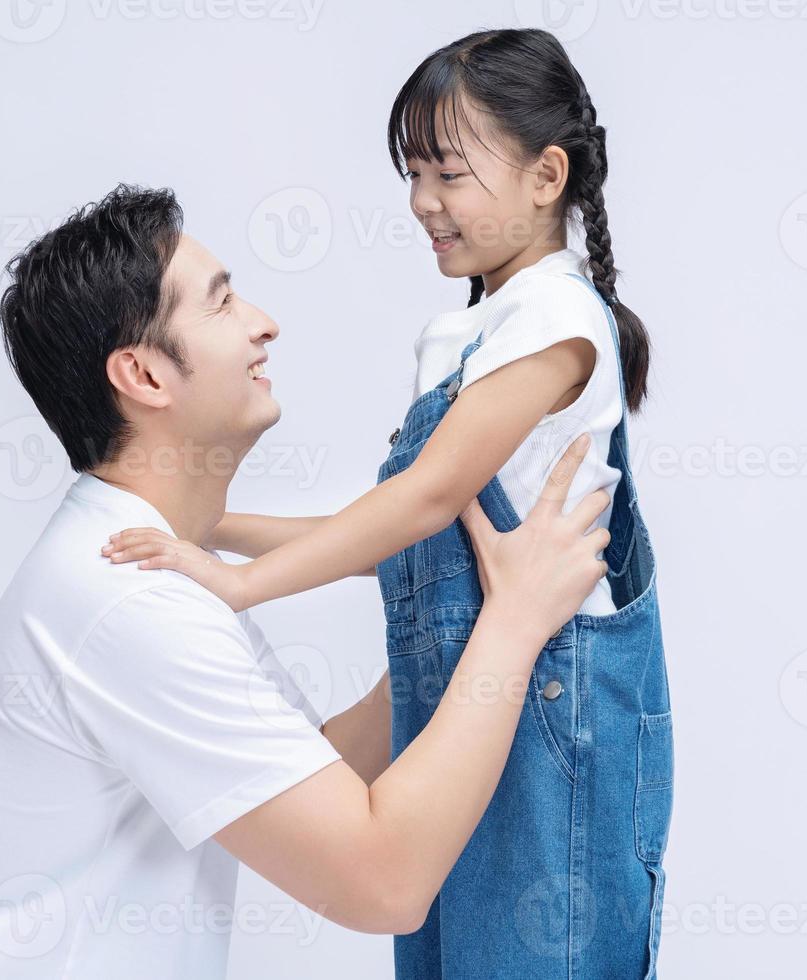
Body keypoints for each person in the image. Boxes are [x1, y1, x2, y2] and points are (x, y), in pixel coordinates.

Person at [0, 183, 611, 979]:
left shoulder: (149, 567)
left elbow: (321, 767)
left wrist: (469, 616)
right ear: (145, 376)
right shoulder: (132, 601)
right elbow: (384, 883)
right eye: (221, 305)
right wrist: (515, 624)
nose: (264, 323)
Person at [102, 29, 674, 978]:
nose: (421, 202)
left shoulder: (560, 321)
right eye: (413, 173)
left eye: (448, 172)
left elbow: (429, 495)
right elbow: (406, 539)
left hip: (555, 725)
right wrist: (213, 532)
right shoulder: (470, 332)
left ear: (546, 177)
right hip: (469, 719)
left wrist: (239, 587)